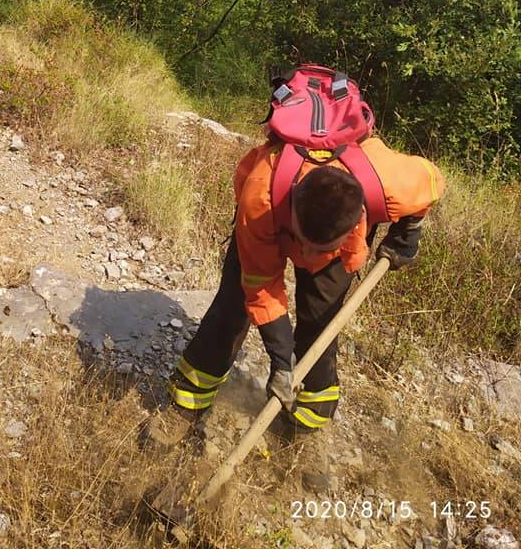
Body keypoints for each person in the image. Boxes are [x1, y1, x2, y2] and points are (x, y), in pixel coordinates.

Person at [162, 89, 445, 444]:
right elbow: (262, 289)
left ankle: (303, 429)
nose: (307, 259)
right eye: (304, 246)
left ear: (360, 221)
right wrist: (281, 361)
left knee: (322, 321)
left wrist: (409, 229)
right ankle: (186, 405)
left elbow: (432, 180)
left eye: (319, 250)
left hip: (334, 232)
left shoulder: (386, 183)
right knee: (232, 307)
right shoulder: (261, 199)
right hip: (271, 225)